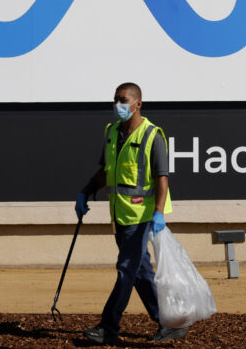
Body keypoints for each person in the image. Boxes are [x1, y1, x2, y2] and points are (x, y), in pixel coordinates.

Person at [75, 82, 187, 345]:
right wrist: (85, 191)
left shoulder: (152, 135)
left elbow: (162, 178)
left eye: (123, 100)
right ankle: (169, 323)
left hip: (143, 217)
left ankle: (108, 326)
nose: (118, 105)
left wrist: (158, 214)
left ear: (138, 104)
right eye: (115, 100)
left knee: (126, 269)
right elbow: (106, 171)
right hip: (121, 215)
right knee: (139, 271)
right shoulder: (112, 132)